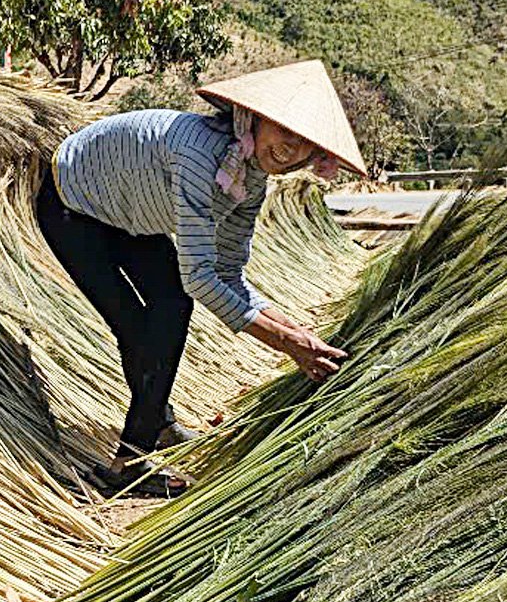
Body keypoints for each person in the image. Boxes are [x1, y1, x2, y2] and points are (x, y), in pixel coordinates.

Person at [35, 59, 364, 497]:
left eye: (305, 143)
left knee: (168, 308)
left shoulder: (248, 178)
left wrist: (296, 331)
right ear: (255, 119)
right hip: (73, 202)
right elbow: (200, 278)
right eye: (284, 129)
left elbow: (228, 272)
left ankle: (158, 423)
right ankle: (128, 463)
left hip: (131, 215)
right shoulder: (200, 156)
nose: (290, 148)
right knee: (143, 323)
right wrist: (288, 346)